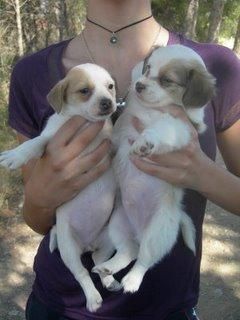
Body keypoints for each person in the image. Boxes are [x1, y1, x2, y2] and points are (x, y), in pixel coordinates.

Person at [7, 0, 240, 319]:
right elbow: (36, 220)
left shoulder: (213, 65)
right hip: (58, 306)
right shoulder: (31, 73)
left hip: (166, 309)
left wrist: (201, 173)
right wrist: (40, 195)